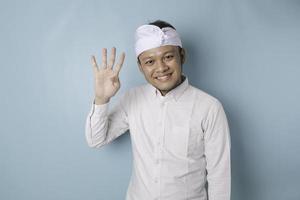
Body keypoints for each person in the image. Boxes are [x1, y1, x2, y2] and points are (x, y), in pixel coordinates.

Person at [85, 20, 231, 200]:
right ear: (140, 66)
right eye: (150, 61)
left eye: (168, 57)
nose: (161, 68)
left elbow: (219, 175)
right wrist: (101, 99)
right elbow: (96, 140)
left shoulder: (209, 108)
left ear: (182, 56)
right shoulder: (132, 98)